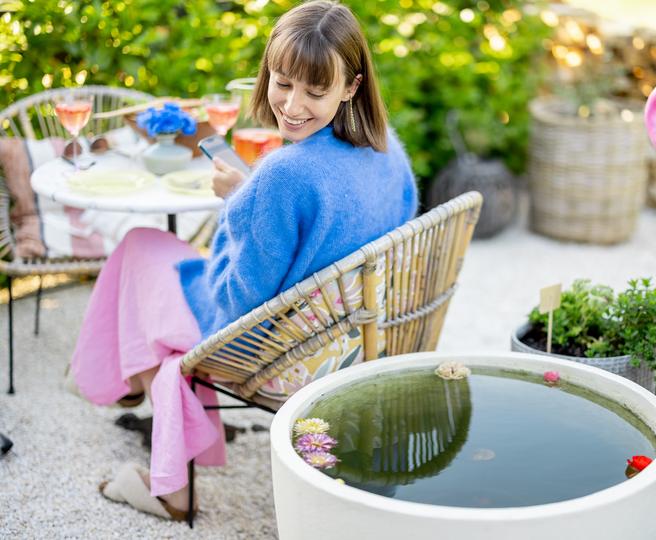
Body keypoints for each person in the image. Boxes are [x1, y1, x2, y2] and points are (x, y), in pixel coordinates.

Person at [70, 0, 417, 521]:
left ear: (351, 86)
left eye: (315, 90)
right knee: (147, 251)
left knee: (141, 247)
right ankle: (143, 389)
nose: (293, 105)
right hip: (355, 333)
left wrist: (241, 203)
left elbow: (236, 302)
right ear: (268, 73)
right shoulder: (387, 146)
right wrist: (255, 200)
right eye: (283, 82)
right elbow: (398, 217)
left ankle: (145, 400)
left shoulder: (283, 175)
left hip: (278, 351)